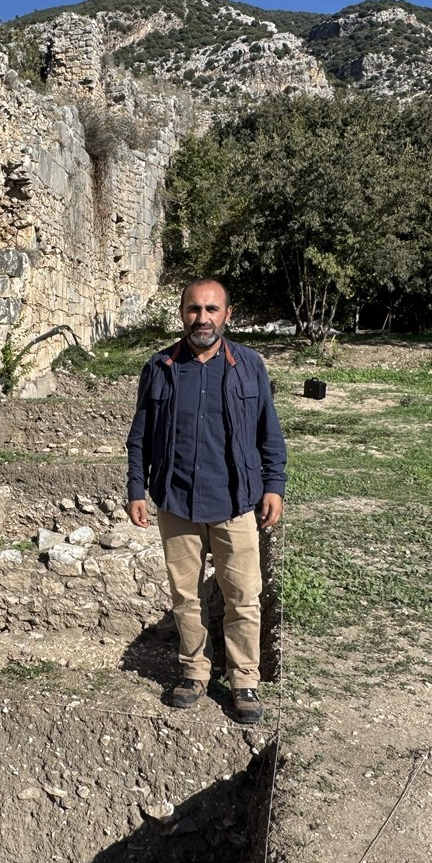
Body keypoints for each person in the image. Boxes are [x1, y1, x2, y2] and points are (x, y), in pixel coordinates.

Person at [125, 278, 287, 724]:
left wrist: (274, 485)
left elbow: (268, 434)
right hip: (176, 501)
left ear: (227, 315)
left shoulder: (248, 366)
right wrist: (136, 488)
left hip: (236, 502)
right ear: (182, 313)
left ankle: (244, 679)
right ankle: (195, 671)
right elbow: (139, 437)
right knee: (186, 595)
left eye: (212, 310)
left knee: (243, 596)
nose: (203, 318)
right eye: (194, 309)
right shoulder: (160, 367)